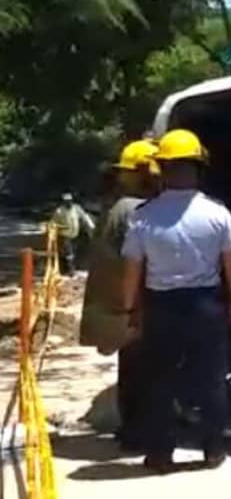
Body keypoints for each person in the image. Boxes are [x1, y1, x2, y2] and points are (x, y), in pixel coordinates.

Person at [121, 129, 231, 473]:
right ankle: (213, 449)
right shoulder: (217, 213)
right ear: (198, 167)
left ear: (163, 168)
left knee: (159, 382)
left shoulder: (143, 217)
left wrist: (131, 308)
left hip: (161, 308)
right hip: (205, 305)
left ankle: (160, 453)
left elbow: (133, 269)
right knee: (210, 379)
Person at [80, 140, 161, 451]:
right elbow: (140, 263)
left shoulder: (118, 207)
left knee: (131, 369)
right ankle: (142, 433)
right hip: (137, 306)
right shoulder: (135, 210)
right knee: (146, 371)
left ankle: (131, 429)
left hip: (121, 308)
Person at [51, 192, 96, 275]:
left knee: (74, 252)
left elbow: (84, 217)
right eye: (66, 201)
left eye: (70, 200)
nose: (68, 202)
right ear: (63, 201)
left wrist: (90, 225)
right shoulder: (59, 211)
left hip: (75, 234)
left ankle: (73, 267)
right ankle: (71, 270)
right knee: (69, 253)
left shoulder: (76, 208)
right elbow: (53, 223)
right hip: (65, 235)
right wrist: (58, 228)